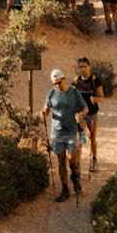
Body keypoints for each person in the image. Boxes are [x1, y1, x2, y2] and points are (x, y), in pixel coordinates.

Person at [41, 68, 88, 201]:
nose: (57, 85)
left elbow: (85, 108)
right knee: (61, 162)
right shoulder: (51, 94)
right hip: (57, 133)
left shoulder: (74, 93)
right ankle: (65, 189)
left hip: (72, 131)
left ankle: (75, 177)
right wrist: (44, 112)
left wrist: (81, 115)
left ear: (64, 79)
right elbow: (47, 108)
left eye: (59, 82)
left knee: (72, 159)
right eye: (54, 83)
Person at [74, 57, 104, 172]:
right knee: (80, 139)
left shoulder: (95, 80)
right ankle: (78, 164)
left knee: (92, 137)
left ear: (89, 66)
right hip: (81, 114)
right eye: (80, 67)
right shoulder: (77, 81)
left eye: (85, 66)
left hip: (92, 113)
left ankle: (93, 160)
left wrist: (95, 99)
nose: (83, 69)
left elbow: (102, 98)